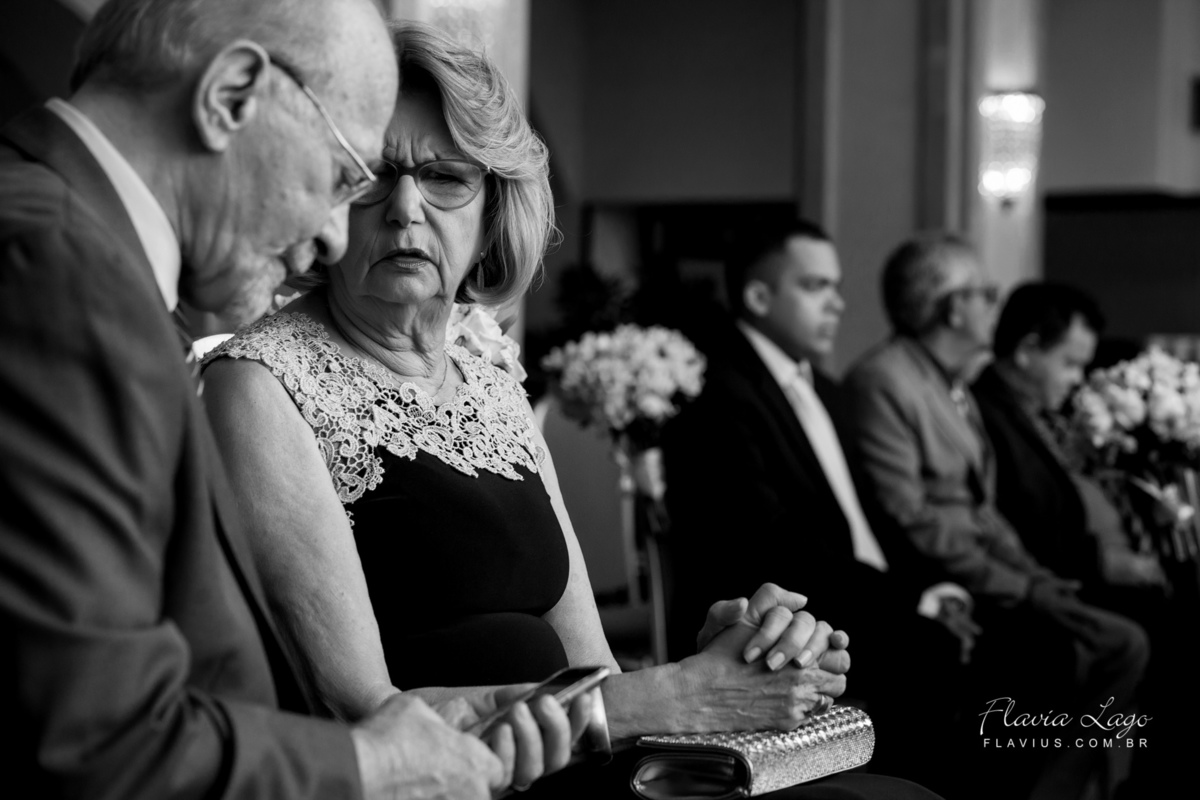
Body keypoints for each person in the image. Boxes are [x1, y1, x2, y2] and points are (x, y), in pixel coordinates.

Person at [202, 23, 941, 799]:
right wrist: (678, 695)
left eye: (446, 175)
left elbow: (597, 672)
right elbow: (358, 717)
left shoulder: (485, 368)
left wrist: (735, 660)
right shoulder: (259, 383)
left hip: (597, 771)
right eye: (373, 175)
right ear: (325, 193)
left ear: (492, 207)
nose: (405, 210)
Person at [0, 1, 577, 797]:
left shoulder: (77, 256)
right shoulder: (58, 271)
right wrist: (372, 763)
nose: (341, 235)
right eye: (350, 175)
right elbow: (93, 737)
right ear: (232, 96)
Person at [661, 220, 975, 793]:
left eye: (836, 286)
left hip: (864, 589)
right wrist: (912, 603)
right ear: (759, 296)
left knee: (989, 632)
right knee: (936, 652)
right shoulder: (718, 391)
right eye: (815, 286)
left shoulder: (826, 390)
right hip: (788, 604)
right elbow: (772, 540)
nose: (837, 302)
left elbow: (876, 515)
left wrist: (933, 585)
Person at [842, 233, 1150, 800]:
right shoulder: (884, 380)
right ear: (954, 307)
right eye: (985, 293)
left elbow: (984, 512)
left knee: (1110, 638)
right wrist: (1022, 589)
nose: (994, 304)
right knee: (1066, 653)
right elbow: (906, 517)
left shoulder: (950, 383)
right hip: (934, 581)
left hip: (983, 572)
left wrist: (1033, 578)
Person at [972, 280, 1190, 797]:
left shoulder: (1034, 412)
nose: (1077, 381)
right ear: (1027, 350)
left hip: (1067, 569)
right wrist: (1105, 563)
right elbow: (1027, 517)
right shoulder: (988, 410)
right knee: (1169, 634)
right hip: (1044, 578)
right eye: (1070, 364)